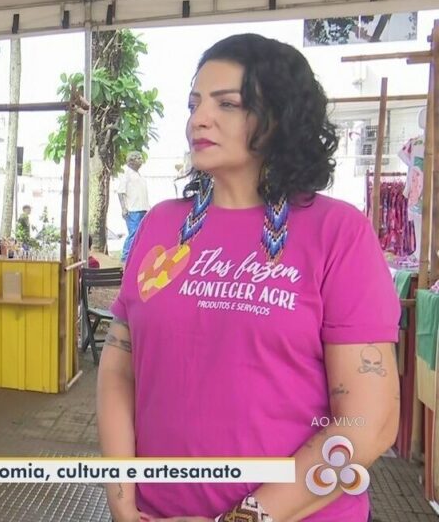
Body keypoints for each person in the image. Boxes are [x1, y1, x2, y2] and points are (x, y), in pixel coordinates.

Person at [97, 34, 399, 522]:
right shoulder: (159, 226)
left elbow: (369, 423)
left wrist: (243, 519)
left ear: (277, 116)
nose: (198, 119)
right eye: (194, 103)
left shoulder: (337, 232)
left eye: (227, 104)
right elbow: (118, 369)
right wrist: (122, 502)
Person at [116, 151, 150, 264]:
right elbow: (120, 192)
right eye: (138, 158)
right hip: (132, 210)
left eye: (141, 158)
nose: (141, 160)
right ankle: (125, 257)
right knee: (134, 233)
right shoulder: (127, 174)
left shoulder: (139, 175)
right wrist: (123, 208)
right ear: (131, 161)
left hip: (143, 209)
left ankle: (137, 256)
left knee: (142, 234)